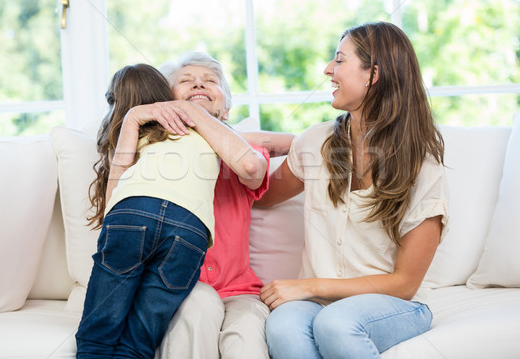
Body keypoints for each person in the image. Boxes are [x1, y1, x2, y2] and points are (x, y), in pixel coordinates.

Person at [256, 21, 449, 358]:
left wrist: (310, 285)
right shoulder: (314, 142)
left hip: (392, 305)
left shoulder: (422, 164)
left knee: (336, 323)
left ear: (372, 74)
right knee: (283, 325)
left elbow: (404, 284)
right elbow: (260, 194)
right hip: (319, 304)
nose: (328, 69)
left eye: (340, 60)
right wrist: (219, 135)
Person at [108, 52, 293, 359]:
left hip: (241, 292)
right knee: (196, 310)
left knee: (246, 335)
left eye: (210, 81)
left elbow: (251, 168)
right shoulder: (152, 153)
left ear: (227, 108)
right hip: (180, 286)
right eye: (185, 81)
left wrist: (205, 120)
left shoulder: (246, 149)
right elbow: (115, 208)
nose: (198, 83)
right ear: (166, 103)